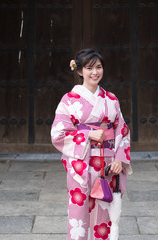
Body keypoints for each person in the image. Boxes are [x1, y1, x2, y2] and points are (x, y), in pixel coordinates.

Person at [51, 48, 132, 240]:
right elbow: (58, 134)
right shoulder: (69, 100)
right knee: (79, 213)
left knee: (105, 212)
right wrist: (88, 134)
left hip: (108, 165)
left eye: (99, 67)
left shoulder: (111, 99)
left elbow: (123, 130)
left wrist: (120, 159)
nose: (95, 72)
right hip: (81, 166)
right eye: (89, 68)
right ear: (79, 71)